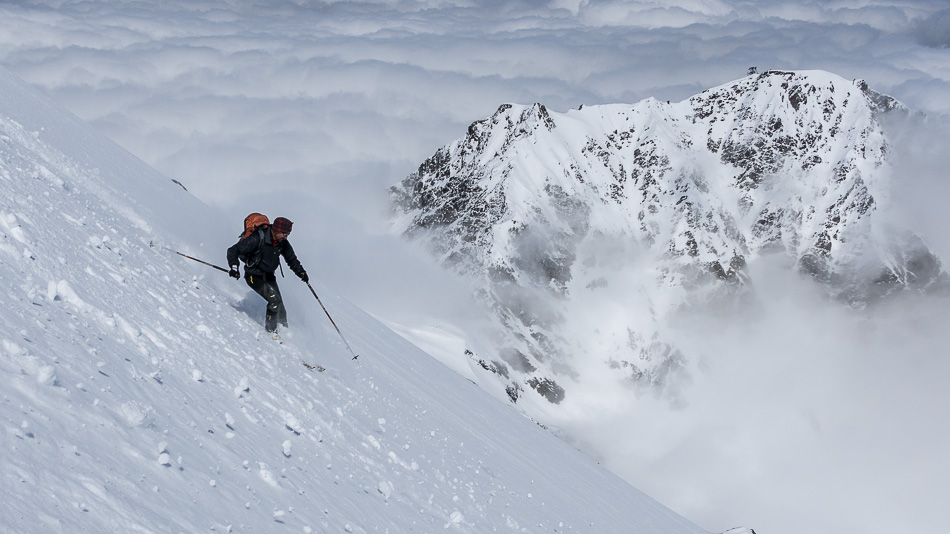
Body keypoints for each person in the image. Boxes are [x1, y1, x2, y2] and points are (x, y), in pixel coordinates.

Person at [227, 216, 308, 336]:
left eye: (288, 234)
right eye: (284, 233)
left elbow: (292, 260)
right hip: (253, 276)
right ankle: (271, 332)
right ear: (276, 230)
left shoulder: (283, 243)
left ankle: (285, 331)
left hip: (269, 276)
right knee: (274, 300)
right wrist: (234, 268)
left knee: (280, 305)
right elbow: (233, 250)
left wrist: (301, 272)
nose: (286, 237)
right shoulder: (258, 238)